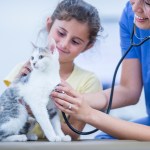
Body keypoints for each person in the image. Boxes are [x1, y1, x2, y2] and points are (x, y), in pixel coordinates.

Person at [3, 0, 104, 140]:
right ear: (49, 25)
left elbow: (74, 132)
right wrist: (18, 85)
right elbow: (5, 111)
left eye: (75, 42)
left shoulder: (89, 81)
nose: (63, 44)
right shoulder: (23, 69)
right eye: (61, 33)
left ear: (87, 46)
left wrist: (37, 112)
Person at [51, 0, 150, 141]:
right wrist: (71, 100)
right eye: (133, 0)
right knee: (104, 140)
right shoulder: (131, 15)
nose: (135, 8)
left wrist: (90, 114)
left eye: (147, 3)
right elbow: (129, 91)